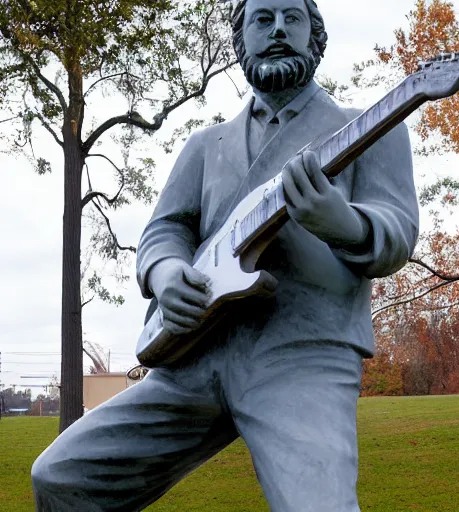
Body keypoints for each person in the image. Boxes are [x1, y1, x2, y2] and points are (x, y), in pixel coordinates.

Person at [31, 0, 419, 510]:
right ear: (241, 38)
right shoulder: (205, 145)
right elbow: (164, 231)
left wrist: (342, 223)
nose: (277, 29)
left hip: (301, 354)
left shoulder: (368, 128)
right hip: (195, 355)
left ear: (314, 35)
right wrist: (167, 271)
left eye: (291, 17)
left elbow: (397, 232)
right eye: (262, 18)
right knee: (59, 476)